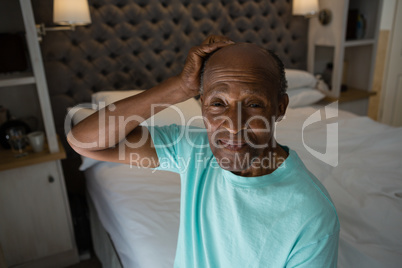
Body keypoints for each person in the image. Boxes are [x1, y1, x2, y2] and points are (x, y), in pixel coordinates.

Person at [68, 35, 339, 267]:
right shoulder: (193, 149)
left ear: (280, 107)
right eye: (218, 103)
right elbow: (83, 141)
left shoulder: (312, 215)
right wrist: (180, 87)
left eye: (254, 104)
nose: (233, 126)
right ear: (201, 106)